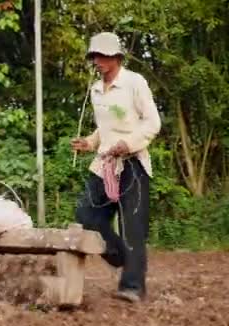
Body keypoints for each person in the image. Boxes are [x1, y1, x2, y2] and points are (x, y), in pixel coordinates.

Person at [71, 32, 162, 303]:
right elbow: (105, 127)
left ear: (115, 57)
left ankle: (133, 286)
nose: (96, 61)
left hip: (132, 165)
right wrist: (88, 142)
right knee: (86, 214)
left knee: (132, 226)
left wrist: (130, 143)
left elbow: (152, 122)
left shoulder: (135, 83)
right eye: (94, 56)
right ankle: (120, 255)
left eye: (101, 56)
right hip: (103, 165)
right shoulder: (96, 90)